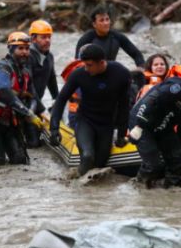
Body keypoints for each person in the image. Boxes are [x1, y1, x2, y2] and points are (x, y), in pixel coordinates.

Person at [49, 44, 131, 177]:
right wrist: (54, 128)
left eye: (89, 65)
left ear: (101, 62)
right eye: (85, 64)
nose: (86, 69)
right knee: (87, 156)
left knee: (100, 165)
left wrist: (122, 134)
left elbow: (124, 105)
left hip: (106, 124)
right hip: (85, 121)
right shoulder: (79, 74)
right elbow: (60, 100)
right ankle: (73, 183)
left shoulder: (121, 74)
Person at [0, 32, 42, 166]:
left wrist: (32, 113)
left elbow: (34, 97)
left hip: (10, 122)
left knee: (20, 162)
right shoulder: (1, 68)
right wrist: (28, 113)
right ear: (11, 49)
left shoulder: (26, 73)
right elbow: (6, 94)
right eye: (20, 48)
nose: (25, 52)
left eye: (27, 49)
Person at [75, 6, 145, 68]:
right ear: (94, 24)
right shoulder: (86, 39)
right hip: (92, 73)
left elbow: (137, 54)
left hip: (110, 72)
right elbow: (77, 62)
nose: (105, 23)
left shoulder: (117, 36)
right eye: (101, 20)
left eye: (107, 19)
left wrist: (141, 69)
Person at [25, 19, 58, 148]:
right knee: (33, 143)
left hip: (36, 103)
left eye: (49, 37)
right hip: (25, 104)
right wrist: (42, 109)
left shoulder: (49, 57)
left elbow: (52, 80)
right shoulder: (27, 57)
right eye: (43, 37)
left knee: (40, 141)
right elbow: (29, 86)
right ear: (33, 39)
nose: (48, 41)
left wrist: (58, 99)